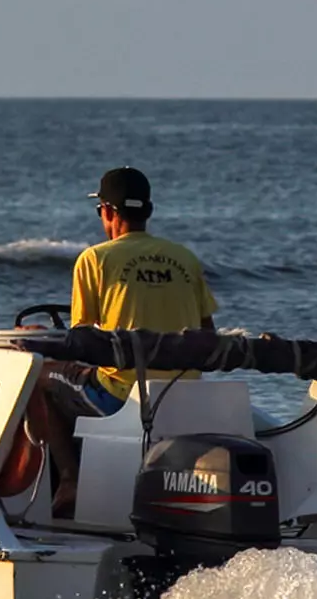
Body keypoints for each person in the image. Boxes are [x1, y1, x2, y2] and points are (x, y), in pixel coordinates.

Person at [29, 167, 218, 515]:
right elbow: (207, 334)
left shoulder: (95, 259)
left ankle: (70, 480)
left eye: (100, 209)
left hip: (121, 396)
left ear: (109, 211)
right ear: (148, 211)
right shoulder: (184, 259)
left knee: (42, 381)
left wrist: (40, 341)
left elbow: (82, 340)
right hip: (185, 397)